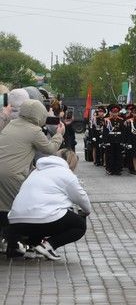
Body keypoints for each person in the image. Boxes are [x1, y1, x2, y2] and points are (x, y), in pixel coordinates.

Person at [6, 149, 91, 261]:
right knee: (79, 225)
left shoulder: (36, 171)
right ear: (70, 163)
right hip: (41, 218)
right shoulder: (66, 173)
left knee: (40, 213)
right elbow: (81, 197)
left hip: (16, 221)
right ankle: (48, 246)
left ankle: (32, 247)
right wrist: (87, 210)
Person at [0, 99, 65, 244]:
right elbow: (49, 149)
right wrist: (59, 134)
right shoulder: (34, 131)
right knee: (18, 210)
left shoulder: (11, 124)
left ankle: (4, 241)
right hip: (13, 175)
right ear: (39, 114)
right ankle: (16, 245)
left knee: (3, 208)